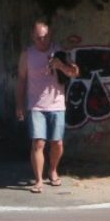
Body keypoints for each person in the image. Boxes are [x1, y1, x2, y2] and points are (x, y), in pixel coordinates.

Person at [16, 21, 80, 193]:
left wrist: (60, 65)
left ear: (50, 36)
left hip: (57, 105)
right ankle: (38, 180)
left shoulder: (59, 51)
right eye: (38, 38)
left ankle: (52, 170)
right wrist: (19, 105)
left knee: (57, 143)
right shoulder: (27, 54)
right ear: (32, 37)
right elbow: (22, 80)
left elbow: (75, 72)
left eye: (45, 37)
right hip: (36, 105)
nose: (42, 41)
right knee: (38, 143)